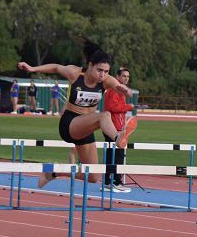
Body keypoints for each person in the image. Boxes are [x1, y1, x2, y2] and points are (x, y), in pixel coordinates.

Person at [17, 40, 133, 187]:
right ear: (90, 65)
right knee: (104, 115)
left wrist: (126, 90)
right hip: (70, 123)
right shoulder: (76, 73)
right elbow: (56, 67)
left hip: (86, 127)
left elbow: (120, 87)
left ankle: (53, 172)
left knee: (93, 177)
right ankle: (117, 139)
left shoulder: (106, 81)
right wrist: (33, 68)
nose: (102, 75)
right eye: (99, 70)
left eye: (106, 71)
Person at [102, 67, 137, 192]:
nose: (126, 78)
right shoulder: (114, 90)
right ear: (117, 77)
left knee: (112, 154)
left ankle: (108, 181)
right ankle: (116, 182)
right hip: (113, 127)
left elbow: (117, 108)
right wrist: (128, 107)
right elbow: (113, 107)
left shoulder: (120, 92)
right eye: (124, 76)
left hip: (117, 126)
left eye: (128, 76)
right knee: (118, 155)